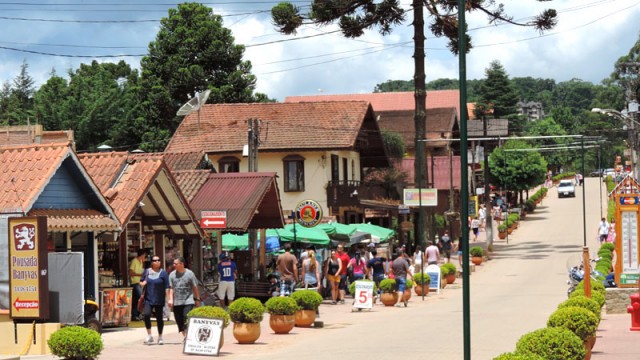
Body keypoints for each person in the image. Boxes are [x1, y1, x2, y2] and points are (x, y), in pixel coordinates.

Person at [140, 255, 170, 345]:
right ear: (152, 262)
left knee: (159, 318)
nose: (157, 262)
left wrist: (168, 299)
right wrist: (143, 283)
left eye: (158, 260)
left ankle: (160, 336)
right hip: (148, 298)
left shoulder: (163, 273)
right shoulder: (147, 272)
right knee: (146, 315)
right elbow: (141, 282)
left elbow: (167, 287)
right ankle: (149, 335)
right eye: (155, 260)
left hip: (159, 299)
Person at [168, 257, 200, 338]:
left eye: (175, 263)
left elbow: (195, 287)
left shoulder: (190, 273)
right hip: (177, 301)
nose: (173, 265)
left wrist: (197, 298)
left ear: (182, 264)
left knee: (185, 316)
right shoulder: (172, 275)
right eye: (173, 263)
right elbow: (171, 288)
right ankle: (185, 335)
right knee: (179, 320)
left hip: (188, 300)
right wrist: (170, 299)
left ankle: (188, 337)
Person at [129, 248, 147, 321]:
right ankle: (143, 314)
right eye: (144, 256)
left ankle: (134, 315)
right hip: (135, 283)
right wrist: (140, 275)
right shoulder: (134, 261)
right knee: (142, 297)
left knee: (136, 300)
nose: (145, 257)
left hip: (140, 283)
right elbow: (130, 273)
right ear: (142, 255)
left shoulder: (141, 262)